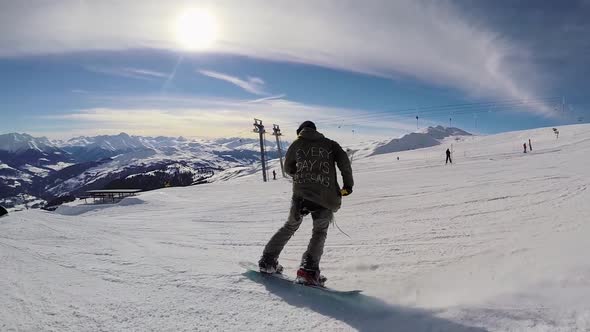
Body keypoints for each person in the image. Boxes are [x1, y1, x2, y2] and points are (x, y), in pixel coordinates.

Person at [258, 121, 354, 286]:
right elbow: (344, 163)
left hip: (301, 195)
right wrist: (347, 186)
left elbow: (288, 168)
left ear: (300, 132)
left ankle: (267, 261)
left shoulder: (297, 144)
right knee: (319, 231)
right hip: (325, 195)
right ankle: (308, 270)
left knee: (289, 226)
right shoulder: (330, 144)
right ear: (315, 131)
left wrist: (302, 175)